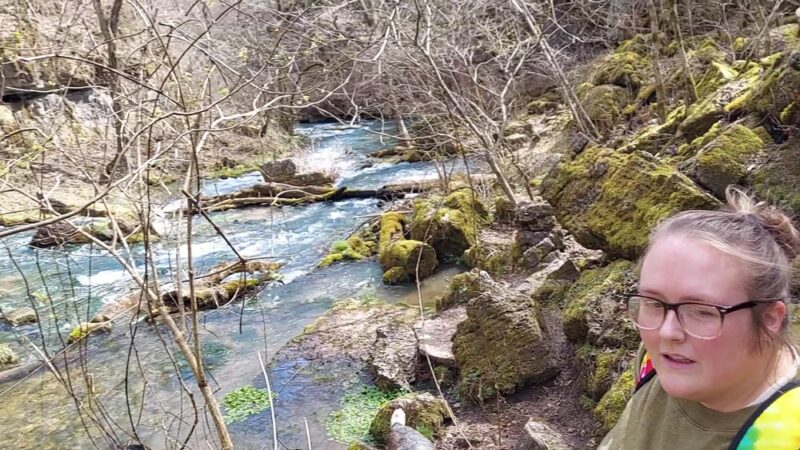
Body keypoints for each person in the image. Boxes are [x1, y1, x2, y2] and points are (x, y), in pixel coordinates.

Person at [599, 187, 800, 449]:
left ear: (770, 318)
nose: (667, 332)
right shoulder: (657, 363)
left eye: (701, 311)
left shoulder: (786, 436)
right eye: (653, 303)